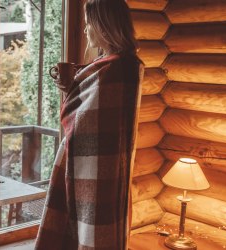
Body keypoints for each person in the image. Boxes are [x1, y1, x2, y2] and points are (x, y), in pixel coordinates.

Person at [35, 0, 144, 249]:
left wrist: (72, 93)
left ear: (104, 27)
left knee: (90, 221)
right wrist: (70, 90)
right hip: (99, 158)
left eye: (88, 24)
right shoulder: (118, 64)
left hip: (96, 160)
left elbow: (91, 116)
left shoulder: (115, 68)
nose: (85, 30)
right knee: (82, 219)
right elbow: (89, 106)